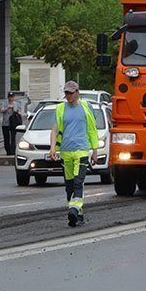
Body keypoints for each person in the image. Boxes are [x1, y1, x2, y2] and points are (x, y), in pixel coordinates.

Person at [48, 81, 99, 227]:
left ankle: (74, 209)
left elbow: (92, 130)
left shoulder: (86, 107)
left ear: (77, 92)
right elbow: (54, 130)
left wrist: (94, 150)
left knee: (78, 182)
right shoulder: (60, 109)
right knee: (69, 185)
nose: (68, 95)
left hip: (82, 150)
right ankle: (78, 213)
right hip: (66, 151)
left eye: (71, 92)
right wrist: (53, 148)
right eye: (66, 93)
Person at [0, 92, 23, 156]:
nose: (11, 98)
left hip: (13, 123)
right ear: (8, 97)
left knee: (13, 137)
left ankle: (13, 151)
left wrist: (14, 110)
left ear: (14, 97)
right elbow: (1, 110)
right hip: (6, 123)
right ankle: (8, 151)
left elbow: (19, 112)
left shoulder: (17, 104)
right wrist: (7, 108)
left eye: (12, 97)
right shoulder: (4, 103)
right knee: (6, 138)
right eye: (10, 97)